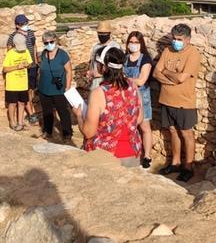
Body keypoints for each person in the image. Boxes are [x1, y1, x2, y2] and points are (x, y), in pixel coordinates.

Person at [153, 23, 201, 182]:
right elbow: (156, 72)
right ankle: (175, 162)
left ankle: (188, 166)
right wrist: (171, 77)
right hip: (166, 99)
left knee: (186, 133)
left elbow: (182, 78)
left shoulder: (193, 54)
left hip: (184, 101)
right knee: (172, 131)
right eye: (174, 38)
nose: (175, 42)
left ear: (187, 39)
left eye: (179, 39)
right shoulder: (168, 50)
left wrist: (166, 73)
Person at [80, 46, 143, 167]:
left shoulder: (99, 93)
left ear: (103, 67)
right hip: (132, 151)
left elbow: (89, 133)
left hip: (106, 156)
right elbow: (139, 119)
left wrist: (78, 116)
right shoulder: (133, 86)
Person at [124, 31, 154, 169]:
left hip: (141, 96)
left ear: (141, 44)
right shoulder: (124, 58)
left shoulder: (145, 59)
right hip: (127, 96)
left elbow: (142, 80)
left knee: (144, 127)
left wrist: (125, 80)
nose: (133, 45)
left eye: (136, 42)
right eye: (131, 42)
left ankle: (147, 156)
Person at [36, 31, 74, 141]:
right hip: (44, 89)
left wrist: (67, 86)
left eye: (51, 42)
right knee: (47, 112)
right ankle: (48, 131)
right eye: (46, 43)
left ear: (55, 40)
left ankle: (67, 133)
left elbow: (69, 71)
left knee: (63, 111)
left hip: (59, 90)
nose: (49, 44)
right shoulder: (44, 54)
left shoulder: (62, 55)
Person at [7, 14, 39, 123]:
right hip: (21, 69)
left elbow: (34, 46)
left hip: (32, 65)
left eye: (26, 23)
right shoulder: (13, 36)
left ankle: (31, 111)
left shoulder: (31, 33)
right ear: (17, 25)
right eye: (22, 24)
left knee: (30, 90)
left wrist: (35, 60)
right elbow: (9, 51)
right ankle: (31, 113)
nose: (25, 25)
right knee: (25, 90)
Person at [2, 33, 33, 131]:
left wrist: (26, 65)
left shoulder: (26, 51)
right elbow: (5, 69)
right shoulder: (10, 53)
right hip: (12, 84)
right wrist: (17, 67)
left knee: (22, 103)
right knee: (12, 104)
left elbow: (30, 63)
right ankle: (12, 122)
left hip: (23, 83)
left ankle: (20, 122)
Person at [88, 21, 120, 91]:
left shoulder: (115, 47)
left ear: (109, 33)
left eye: (104, 33)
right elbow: (92, 62)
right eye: (100, 33)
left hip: (108, 82)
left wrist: (100, 74)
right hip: (95, 82)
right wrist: (90, 73)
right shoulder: (96, 47)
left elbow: (116, 69)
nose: (102, 35)